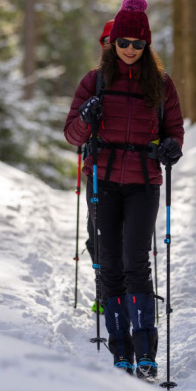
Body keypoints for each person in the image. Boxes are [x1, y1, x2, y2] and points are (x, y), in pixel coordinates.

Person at [64, 0, 184, 379]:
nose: (130, 49)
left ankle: (146, 352)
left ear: (147, 46)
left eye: (138, 44)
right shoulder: (95, 81)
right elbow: (72, 134)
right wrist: (86, 117)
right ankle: (121, 351)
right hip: (102, 181)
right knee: (110, 265)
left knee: (137, 263)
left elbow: (175, 132)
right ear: (112, 43)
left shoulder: (161, 86)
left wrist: (170, 149)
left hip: (144, 184)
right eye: (124, 42)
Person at [85, 19, 114, 314]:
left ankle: (127, 294)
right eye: (106, 40)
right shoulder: (92, 80)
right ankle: (103, 292)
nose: (111, 45)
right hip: (96, 172)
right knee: (96, 236)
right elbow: (73, 130)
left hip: (132, 175)